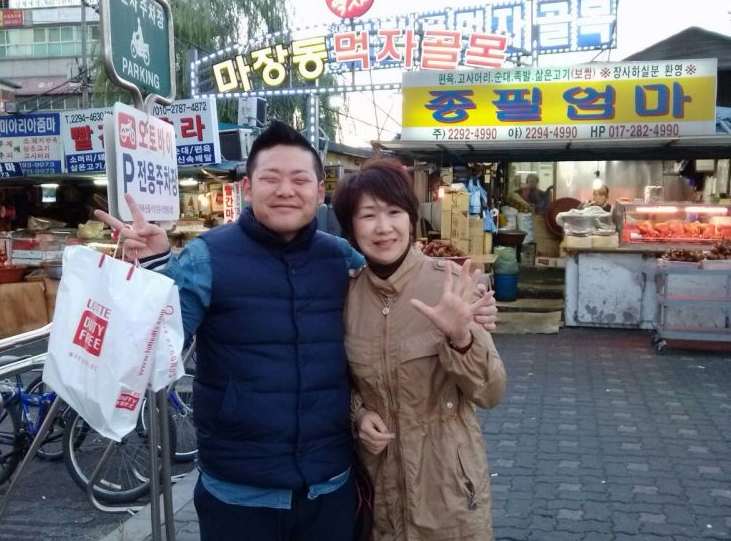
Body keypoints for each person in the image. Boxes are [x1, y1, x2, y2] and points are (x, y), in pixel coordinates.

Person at [96, 122, 497, 541]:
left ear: (319, 193)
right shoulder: (206, 257)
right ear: (247, 188)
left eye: (300, 180)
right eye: (271, 178)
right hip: (240, 490)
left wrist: (476, 305)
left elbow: (396, 283)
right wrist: (156, 268)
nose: (286, 190)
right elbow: (156, 348)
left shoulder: (339, 258)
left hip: (329, 486)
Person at [333, 158, 506, 540]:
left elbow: (491, 392)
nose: (383, 227)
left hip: (448, 491)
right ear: (351, 228)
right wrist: (359, 416)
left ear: (411, 219)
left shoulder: (450, 286)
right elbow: (339, 381)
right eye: (368, 215)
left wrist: (462, 338)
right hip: (379, 494)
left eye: (394, 212)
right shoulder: (346, 297)